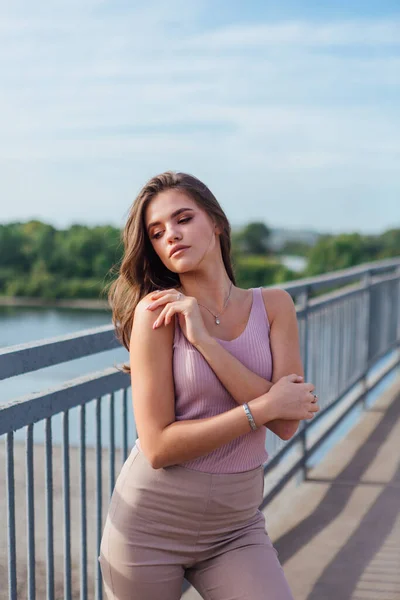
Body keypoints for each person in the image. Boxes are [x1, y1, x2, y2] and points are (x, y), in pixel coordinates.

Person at [99, 171, 319, 600]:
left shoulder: (275, 306)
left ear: (216, 222)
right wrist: (260, 409)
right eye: (157, 232)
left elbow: (287, 422)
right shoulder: (157, 313)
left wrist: (204, 341)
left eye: (183, 219)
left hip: (235, 527)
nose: (171, 236)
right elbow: (159, 446)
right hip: (151, 526)